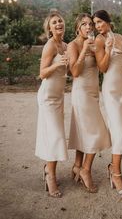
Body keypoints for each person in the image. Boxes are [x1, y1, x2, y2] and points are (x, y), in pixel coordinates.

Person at [68, 13, 111, 193]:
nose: (88, 27)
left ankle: (77, 166)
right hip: (81, 93)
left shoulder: (94, 43)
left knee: (83, 131)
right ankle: (86, 170)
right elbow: (75, 72)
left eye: (90, 25)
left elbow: (102, 68)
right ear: (78, 27)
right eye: (84, 24)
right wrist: (85, 50)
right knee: (96, 131)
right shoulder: (73, 45)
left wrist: (104, 50)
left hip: (94, 92)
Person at [92, 10, 122, 198]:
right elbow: (102, 67)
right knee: (120, 132)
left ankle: (113, 167)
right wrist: (107, 50)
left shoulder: (120, 37)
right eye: (95, 24)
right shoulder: (99, 41)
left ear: (108, 21)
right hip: (111, 91)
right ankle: (115, 173)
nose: (98, 26)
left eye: (100, 22)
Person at [35, 11, 68, 198]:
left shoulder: (64, 45)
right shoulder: (49, 46)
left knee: (54, 135)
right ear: (49, 27)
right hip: (48, 96)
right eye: (54, 22)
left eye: (60, 21)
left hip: (59, 96)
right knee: (55, 136)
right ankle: (50, 174)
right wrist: (56, 65)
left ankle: (49, 169)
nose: (58, 24)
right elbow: (42, 73)